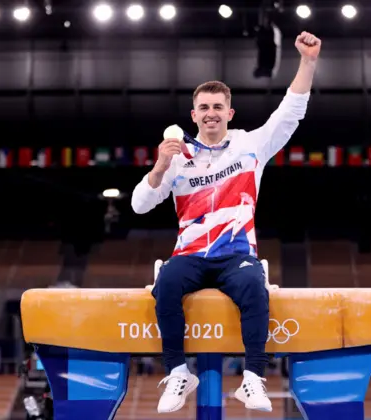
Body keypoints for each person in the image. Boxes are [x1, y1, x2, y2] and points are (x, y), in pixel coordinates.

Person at [131, 31, 321, 414]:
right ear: (194, 115)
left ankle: (252, 380)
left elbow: (291, 110)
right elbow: (139, 206)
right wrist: (159, 167)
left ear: (229, 113)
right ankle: (179, 373)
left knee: (255, 286)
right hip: (191, 255)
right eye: (204, 107)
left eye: (218, 106)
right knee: (165, 283)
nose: (211, 112)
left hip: (237, 255)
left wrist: (308, 61)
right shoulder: (177, 157)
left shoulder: (251, 145)